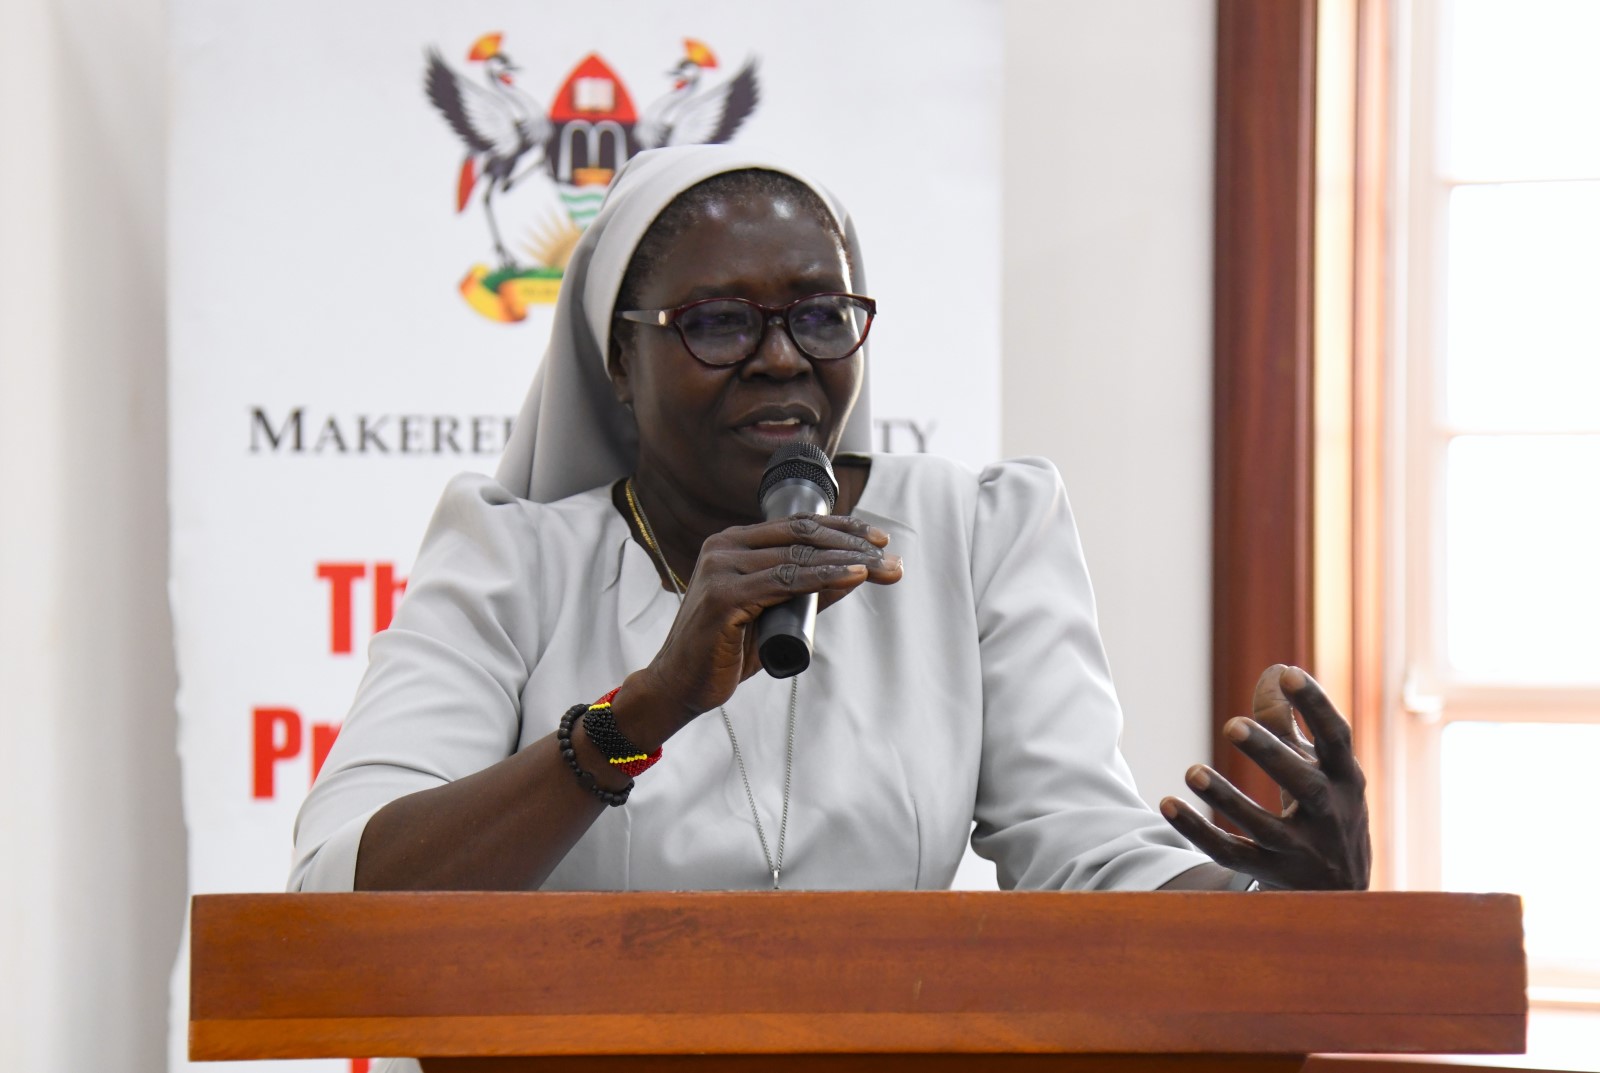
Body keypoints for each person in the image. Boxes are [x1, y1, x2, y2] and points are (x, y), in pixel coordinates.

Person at [291, 145, 1369, 902]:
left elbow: (1082, 845)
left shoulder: (974, 532)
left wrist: (1272, 893)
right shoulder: (512, 559)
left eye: (819, 314)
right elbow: (339, 886)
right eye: (716, 322)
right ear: (619, 361)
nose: (781, 356)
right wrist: (642, 711)